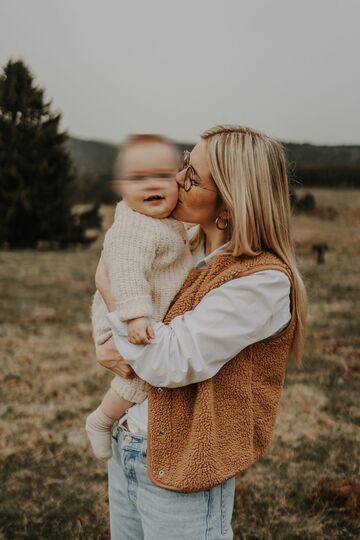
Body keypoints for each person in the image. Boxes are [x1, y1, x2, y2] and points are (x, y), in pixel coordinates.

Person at [94, 124, 307, 540]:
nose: (176, 179)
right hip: (129, 443)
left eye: (191, 175)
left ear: (227, 206)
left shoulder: (261, 282)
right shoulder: (181, 246)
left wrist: (109, 289)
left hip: (184, 466)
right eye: (184, 163)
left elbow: (167, 361)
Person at [85, 134, 193, 459]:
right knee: (139, 380)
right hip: (123, 318)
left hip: (137, 317)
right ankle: (102, 419)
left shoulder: (161, 223)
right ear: (121, 187)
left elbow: (176, 246)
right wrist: (134, 315)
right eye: (138, 178)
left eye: (162, 176)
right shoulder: (133, 228)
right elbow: (128, 272)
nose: (151, 185)